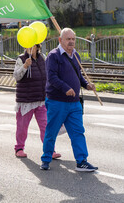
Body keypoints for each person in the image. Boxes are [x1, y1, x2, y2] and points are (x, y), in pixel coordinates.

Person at [40, 28, 97, 172]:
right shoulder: (53, 56)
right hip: (57, 102)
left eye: (73, 39)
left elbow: (79, 76)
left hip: (74, 103)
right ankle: (46, 159)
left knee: (78, 132)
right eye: (68, 39)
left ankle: (81, 161)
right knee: (51, 131)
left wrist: (87, 85)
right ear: (60, 40)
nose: (71, 42)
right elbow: (51, 77)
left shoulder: (75, 55)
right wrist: (65, 88)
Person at [13, 44, 61, 159]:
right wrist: (25, 66)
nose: (29, 48)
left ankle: (50, 150)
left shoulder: (42, 58)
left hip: (41, 99)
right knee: (22, 126)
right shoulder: (21, 59)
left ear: (37, 47)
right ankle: (19, 148)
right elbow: (16, 76)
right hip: (26, 100)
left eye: (32, 45)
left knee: (45, 126)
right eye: (27, 45)